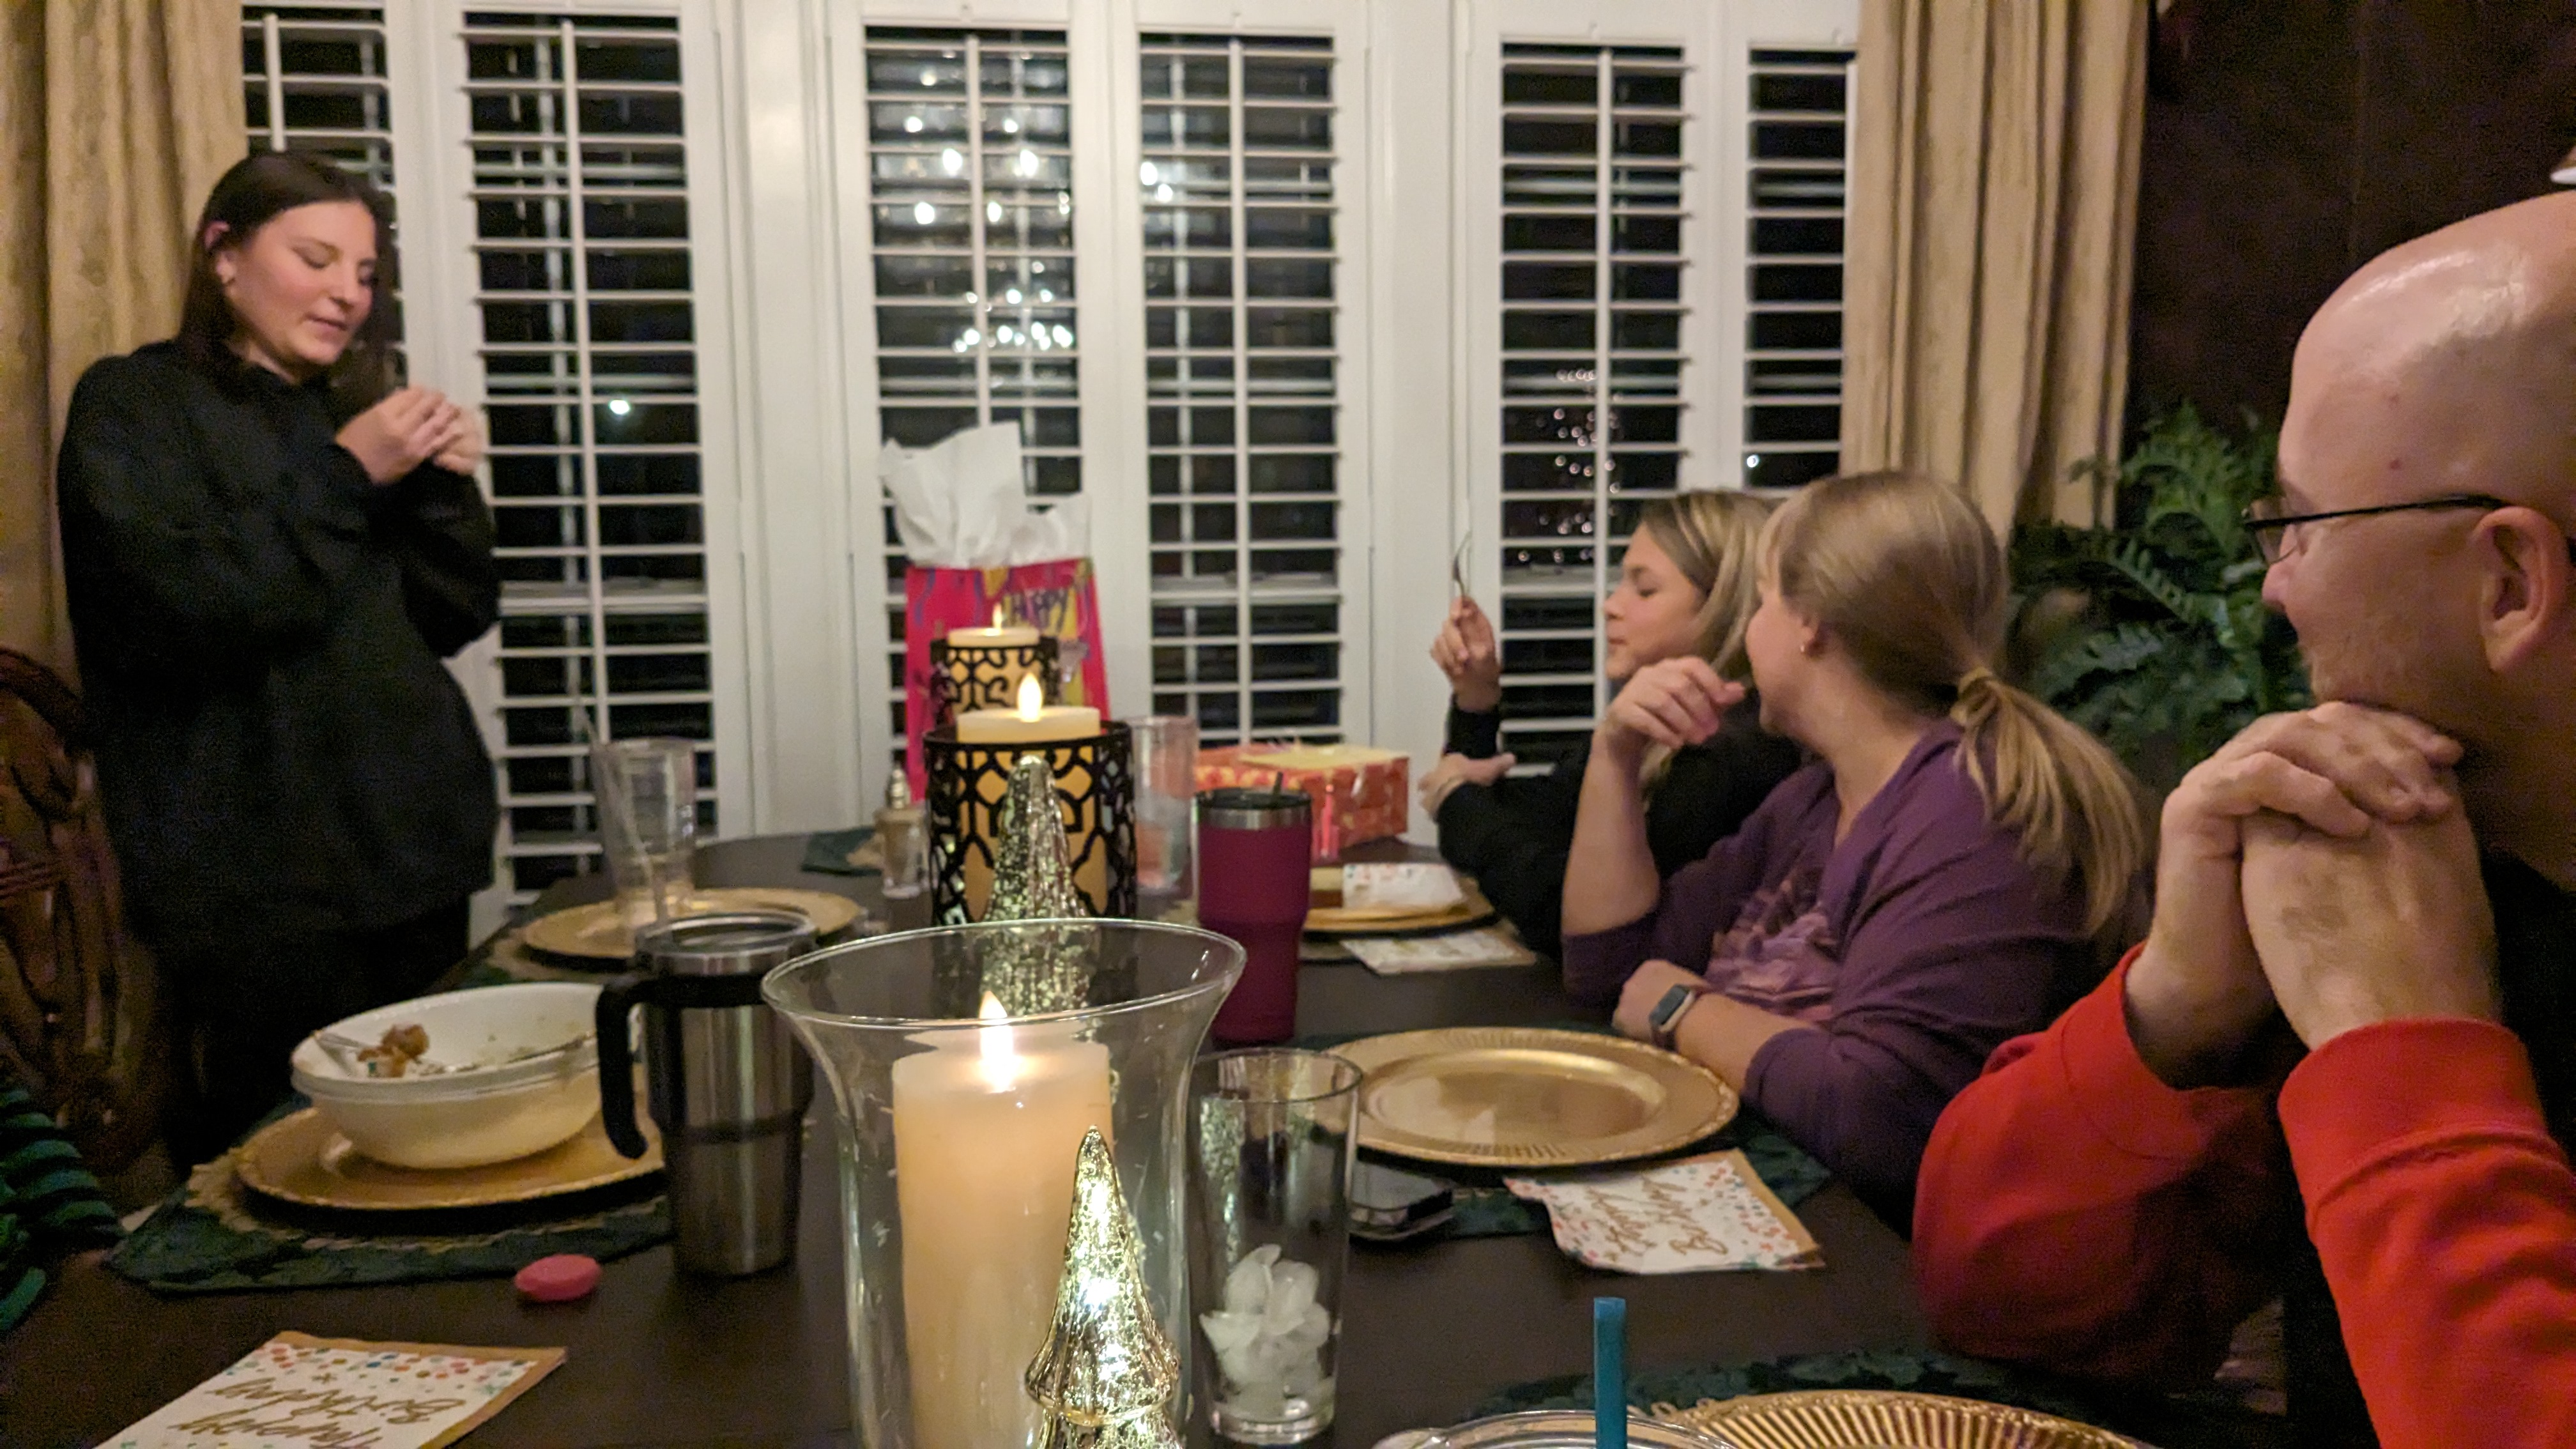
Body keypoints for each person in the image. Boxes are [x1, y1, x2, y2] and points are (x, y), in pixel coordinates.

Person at [1910, 194, 2576, 1447]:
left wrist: (2411, 1072)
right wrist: (2175, 1007)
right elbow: (1990, 1294)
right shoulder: (2402, 859)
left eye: (2300, 523)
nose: (2272, 590)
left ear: (2508, 583)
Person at [54, 151, 500, 1164]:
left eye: (366, 273)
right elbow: (191, 608)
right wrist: (350, 474)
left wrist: (438, 486)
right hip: (255, 886)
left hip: (415, 862)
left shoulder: (347, 415)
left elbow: (451, 617)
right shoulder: (135, 405)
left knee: (435, 1156)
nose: (349, 293)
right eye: (317, 258)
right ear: (224, 256)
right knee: (283, 1163)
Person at [1558, 471, 2146, 1225]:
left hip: (1885, 1266)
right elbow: (1609, 971)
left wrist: (1684, 1008)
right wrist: (1615, 755)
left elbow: (1880, 1117)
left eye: (1763, 599)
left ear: (1809, 621)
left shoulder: (1972, 812)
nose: (1749, 630)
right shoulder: (1813, 799)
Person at [1420, 492, 1803, 954]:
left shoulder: (1728, 754)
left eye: (1644, 590)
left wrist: (1457, 800)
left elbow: (1563, 917)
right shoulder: (1653, 727)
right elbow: (1532, 819)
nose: (1610, 605)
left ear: (1722, 607)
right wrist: (1476, 701)